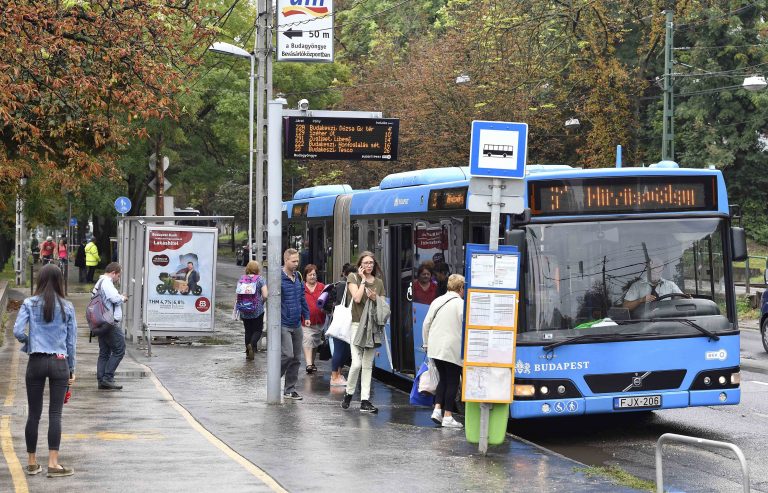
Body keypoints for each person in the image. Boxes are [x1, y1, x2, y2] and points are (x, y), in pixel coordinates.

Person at [13, 264, 77, 477]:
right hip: (59, 362)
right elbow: (71, 342)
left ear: (39, 280)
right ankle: (53, 463)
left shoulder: (29, 303)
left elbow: (17, 331)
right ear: (61, 281)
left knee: (34, 414)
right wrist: (71, 369)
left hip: (36, 361)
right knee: (55, 414)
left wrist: (30, 343)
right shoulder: (67, 307)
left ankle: (32, 463)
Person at [342, 251, 386, 414]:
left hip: (372, 327)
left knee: (368, 365)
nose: (369, 266)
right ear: (360, 264)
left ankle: (365, 400)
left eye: (371, 263)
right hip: (356, 324)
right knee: (357, 363)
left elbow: (383, 304)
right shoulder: (353, 277)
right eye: (366, 263)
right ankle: (349, 393)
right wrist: (362, 282)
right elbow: (358, 299)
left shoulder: (379, 282)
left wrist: (376, 298)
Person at [422, 274, 466, 428]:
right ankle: (447, 416)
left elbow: (426, 323)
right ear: (461, 288)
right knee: (453, 381)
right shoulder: (461, 304)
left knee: (443, 379)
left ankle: (437, 410)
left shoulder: (437, 301)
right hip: (451, 349)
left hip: (435, 348)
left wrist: (426, 344)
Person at [280, 248, 310, 400]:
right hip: (283, 323)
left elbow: (302, 297)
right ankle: (274, 378)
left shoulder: (297, 276)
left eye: (297, 261)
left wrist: (307, 315)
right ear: (286, 260)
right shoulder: (278, 277)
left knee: (297, 358)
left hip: (297, 323)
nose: (296, 264)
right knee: (287, 354)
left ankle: (289, 389)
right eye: (293, 261)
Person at [93, 262, 127, 390]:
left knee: (104, 352)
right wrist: (123, 298)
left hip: (100, 321)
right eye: (118, 275)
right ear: (113, 273)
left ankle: (102, 380)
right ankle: (108, 378)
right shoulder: (107, 283)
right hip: (109, 321)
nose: (118, 278)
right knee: (120, 349)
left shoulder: (99, 283)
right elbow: (114, 299)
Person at [323, 263, 355, 387]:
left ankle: (338, 374)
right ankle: (334, 375)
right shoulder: (343, 285)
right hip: (343, 321)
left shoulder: (338, 285)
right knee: (340, 349)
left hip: (340, 320)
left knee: (343, 350)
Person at [236, 260, 268, 360]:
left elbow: (237, 293)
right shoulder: (260, 279)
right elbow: (265, 295)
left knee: (248, 331)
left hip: (244, 309)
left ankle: (248, 352)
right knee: (258, 330)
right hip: (257, 310)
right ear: (257, 269)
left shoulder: (242, 279)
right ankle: (252, 344)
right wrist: (262, 302)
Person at [302, 264, 325, 374]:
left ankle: (312, 362)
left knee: (315, 342)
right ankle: (308, 364)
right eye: (310, 275)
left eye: (314, 274)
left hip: (319, 320)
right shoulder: (302, 287)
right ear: (305, 276)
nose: (312, 277)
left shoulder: (322, 287)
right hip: (305, 320)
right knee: (308, 339)